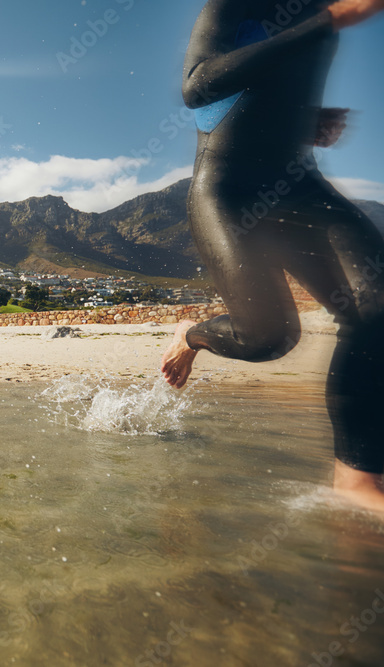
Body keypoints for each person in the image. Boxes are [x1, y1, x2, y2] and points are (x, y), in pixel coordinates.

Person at [162, 0, 384, 513]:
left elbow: (265, 90)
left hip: (299, 187)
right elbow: (198, 86)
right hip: (229, 192)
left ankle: (357, 482)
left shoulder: (320, 15)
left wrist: (302, 119)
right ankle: (191, 334)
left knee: (376, 306)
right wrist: (330, 19)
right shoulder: (234, 4)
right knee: (271, 337)